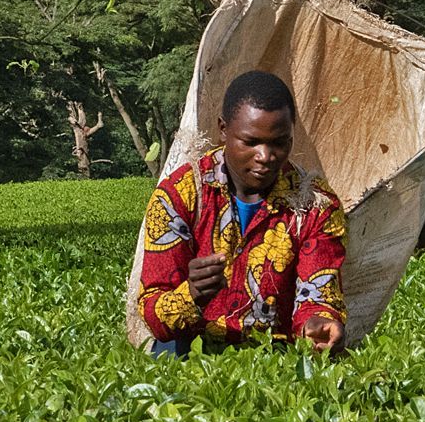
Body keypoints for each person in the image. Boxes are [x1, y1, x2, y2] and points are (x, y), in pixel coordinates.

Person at [137, 71, 347, 355]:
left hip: (275, 352)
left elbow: (319, 293)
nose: (266, 156)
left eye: (280, 142)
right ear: (223, 130)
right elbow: (154, 314)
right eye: (251, 142)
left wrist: (317, 321)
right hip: (192, 346)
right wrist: (192, 293)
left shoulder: (315, 204)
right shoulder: (180, 195)